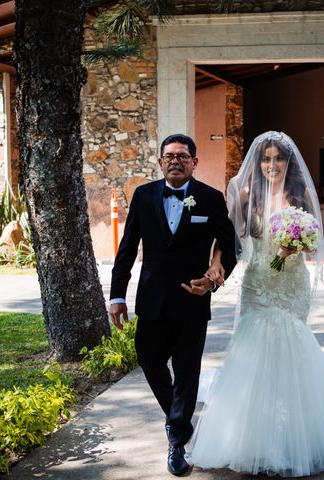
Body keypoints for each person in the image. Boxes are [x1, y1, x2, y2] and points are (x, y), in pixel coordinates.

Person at [187, 131, 324, 477]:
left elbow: (313, 242)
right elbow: (226, 234)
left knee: (289, 345)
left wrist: (296, 245)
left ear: (289, 163)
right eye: (266, 158)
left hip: (290, 282)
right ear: (258, 162)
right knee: (254, 348)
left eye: (279, 158)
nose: (271, 165)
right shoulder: (245, 193)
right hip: (258, 281)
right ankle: (250, 431)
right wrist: (215, 262)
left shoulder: (300, 194)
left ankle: (293, 430)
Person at [109, 133, 237, 477]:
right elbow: (127, 250)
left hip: (192, 303)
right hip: (151, 301)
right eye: (169, 156)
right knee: (149, 360)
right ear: (160, 161)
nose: (175, 161)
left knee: (187, 373)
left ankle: (177, 441)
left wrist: (211, 280)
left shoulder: (210, 198)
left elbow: (228, 247)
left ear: (194, 162)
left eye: (183, 156)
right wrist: (117, 295)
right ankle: (178, 419)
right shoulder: (144, 195)